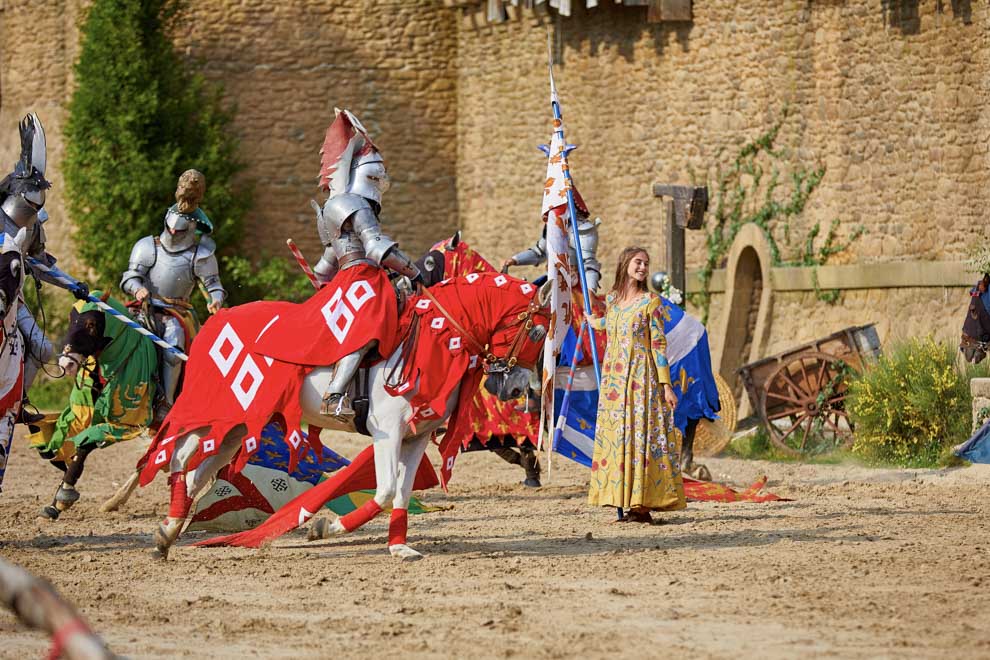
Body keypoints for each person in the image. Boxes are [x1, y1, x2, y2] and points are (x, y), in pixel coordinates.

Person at [309, 109, 422, 419]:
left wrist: (321, 286)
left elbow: (326, 264)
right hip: (361, 277)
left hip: (352, 277)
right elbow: (375, 248)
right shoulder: (354, 203)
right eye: (376, 177)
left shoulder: (335, 205)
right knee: (370, 323)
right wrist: (415, 271)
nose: (379, 184)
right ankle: (334, 394)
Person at [585, 247, 685, 523]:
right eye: (638, 262)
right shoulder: (614, 300)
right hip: (615, 381)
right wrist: (597, 323)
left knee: (639, 437)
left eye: (646, 264)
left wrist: (665, 385)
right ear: (626, 263)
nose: (642, 267)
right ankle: (621, 498)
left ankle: (641, 506)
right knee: (619, 438)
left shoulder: (649, 302)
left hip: (641, 379)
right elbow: (614, 323)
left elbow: (658, 344)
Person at [0, 113, 87, 424]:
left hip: (15, 302)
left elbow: (39, 264)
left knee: (41, 346)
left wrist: (72, 285)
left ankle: (16, 402)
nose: (35, 213)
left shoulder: (33, 227)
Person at [120, 169, 225, 419]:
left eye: (180, 231)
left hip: (176, 312)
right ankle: (115, 390)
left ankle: (166, 402)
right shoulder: (147, 246)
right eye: (171, 229)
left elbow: (214, 285)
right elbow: (129, 277)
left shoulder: (200, 254)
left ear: (192, 228)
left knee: (173, 344)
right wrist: (138, 287)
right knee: (117, 338)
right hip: (142, 307)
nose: (174, 234)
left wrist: (216, 300)